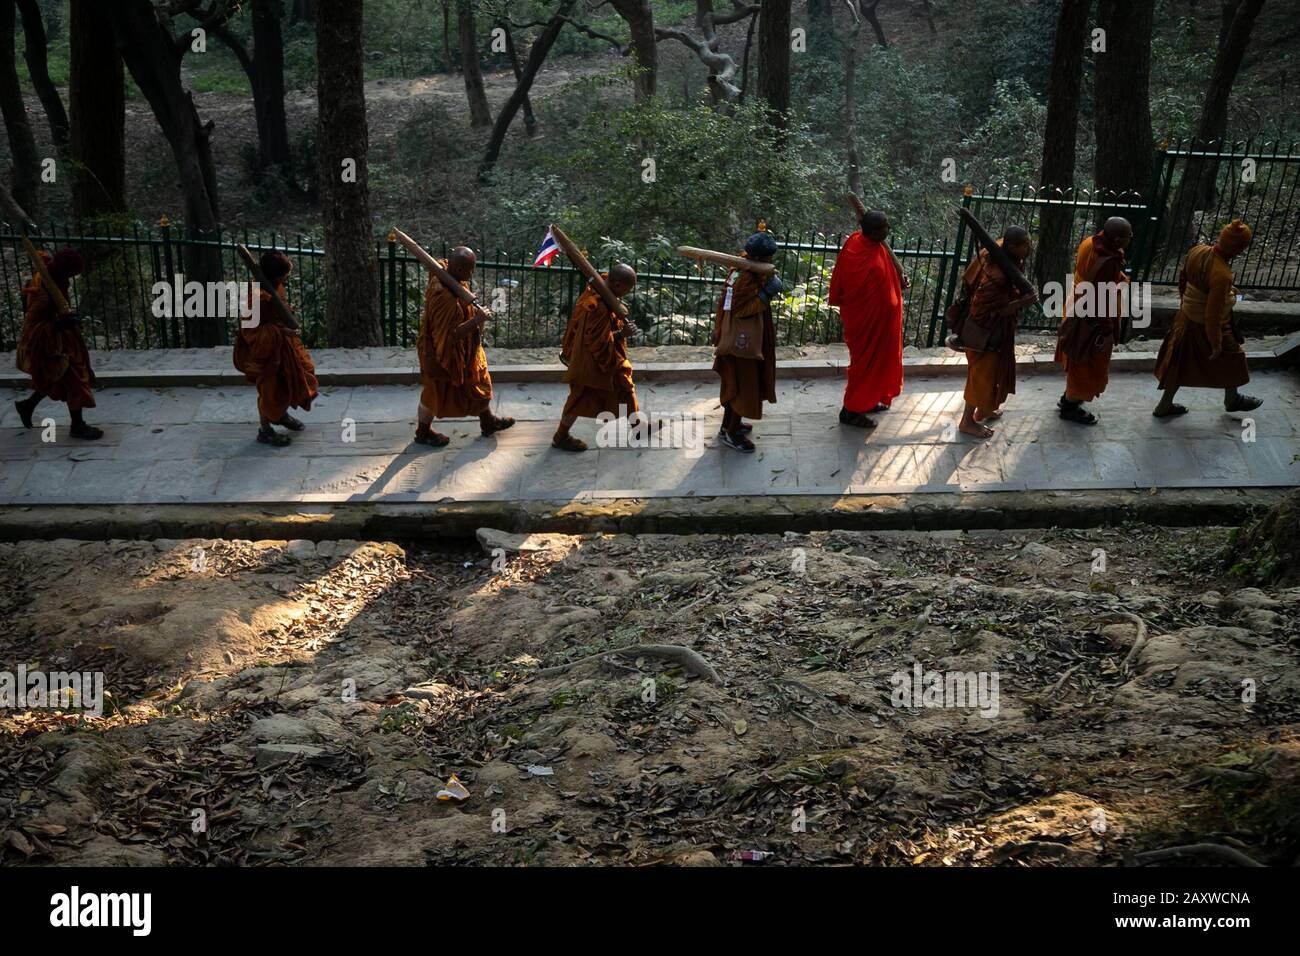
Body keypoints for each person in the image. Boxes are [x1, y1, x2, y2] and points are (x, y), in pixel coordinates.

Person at [1153, 219, 1261, 417]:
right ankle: (1232, 399)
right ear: (1239, 250)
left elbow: (1183, 279)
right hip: (1205, 324)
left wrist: (1186, 304)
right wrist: (1216, 343)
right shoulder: (1222, 275)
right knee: (1232, 356)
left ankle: (1164, 405)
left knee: (1179, 361)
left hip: (1185, 318)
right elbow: (1213, 315)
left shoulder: (1197, 251)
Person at [414, 246, 514, 447]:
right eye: (470, 270)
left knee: (478, 382)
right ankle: (423, 432)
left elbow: (440, 264)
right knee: (434, 393)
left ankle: (488, 421)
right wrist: (477, 320)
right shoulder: (443, 297)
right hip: (443, 355)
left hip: (467, 351)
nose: (472, 274)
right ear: (458, 270)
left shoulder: (446, 272)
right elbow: (449, 336)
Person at [829, 209, 906, 429]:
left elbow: (886, 278)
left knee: (877, 364)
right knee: (865, 366)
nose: (888, 229)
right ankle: (851, 411)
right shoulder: (860, 254)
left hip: (881, 324)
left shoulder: (864, 241)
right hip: (867, 326)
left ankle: (868, 400)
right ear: (873, 232)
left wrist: (897, 279)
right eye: (884, 227)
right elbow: (861, 293)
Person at [958, 226, 1037, 439]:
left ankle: (984, 409)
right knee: (981, 377)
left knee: (993, 373)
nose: (1029, 247)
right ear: (1011, 246)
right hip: (984, 334)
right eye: (1025, 245)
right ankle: (967, 422)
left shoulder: (1001, 252)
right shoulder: (997, 275)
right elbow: (982, 311)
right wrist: (1020, 303)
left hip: (999, 331)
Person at [232, 251, 318, 447]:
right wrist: (281, 331)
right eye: (284, 275)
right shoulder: (257, 297)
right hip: (266, 351)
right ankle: (265, 430)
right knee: (269, 391)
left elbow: (280, 309)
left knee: (296, 378)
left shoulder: (275, 287)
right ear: (274, 275)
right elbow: (249, 329)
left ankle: (280, 415)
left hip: (285, 347)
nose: (286, 278)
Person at [14, 247, 101, 440]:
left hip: (62, 339)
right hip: (49, 342)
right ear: (63, 272)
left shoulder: (53, 276)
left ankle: (27, 405)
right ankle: (77, 426)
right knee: (74, 379)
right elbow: (30, 329)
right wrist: (57, 325)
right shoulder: (42, 295)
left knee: (57, 378)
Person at [552, 264, 639, 452]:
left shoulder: (600, 285)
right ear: (616, 284)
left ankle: (638, 427)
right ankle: (560, 436)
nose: (628, 293)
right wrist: (622, 334)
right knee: (578, 398)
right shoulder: (597, 306)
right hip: (590, 362)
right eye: (628, 288)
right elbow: (596, 342)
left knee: (625, 386)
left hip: (603, 359)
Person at [1054, 216, 1132, 425]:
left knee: (1077, 358)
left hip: (1076, 304)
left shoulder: (1090, 242)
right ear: (1117, 240)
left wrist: (1118, 278)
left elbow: (1093, 275)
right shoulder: (1108, 260)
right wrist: (1107, 328)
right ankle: (1070, 406)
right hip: (1091, 317)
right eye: (1128, 236)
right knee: (1086, 361)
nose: (1130, 239)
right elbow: (1099, 296)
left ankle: (1068, 397)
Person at [713, 232, 781, 453]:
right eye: (769, 258)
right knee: (744, 388)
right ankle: (732, 434)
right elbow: (740, 310)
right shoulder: (746, 276)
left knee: (735, 385)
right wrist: (766, 294)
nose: (770, 261)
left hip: (735, 338)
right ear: (759, 258)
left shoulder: (740, 268)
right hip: (741, 344)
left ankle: (727, 427)